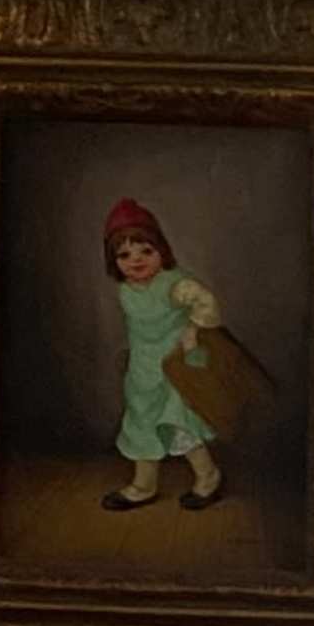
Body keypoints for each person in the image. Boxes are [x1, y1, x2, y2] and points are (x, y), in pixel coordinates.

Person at [98, 197, 226, 509]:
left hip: (176, 367)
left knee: (181, 425)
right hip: (144, 370)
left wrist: (193, 330)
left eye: (146, 251)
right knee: (142, 425)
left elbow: (207, 303)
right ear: (114, 261)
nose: (136, 260)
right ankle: (144, 485)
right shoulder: (126, 290)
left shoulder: (174, 284)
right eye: (124, 255)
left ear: (161, 251)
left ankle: (208, 477)